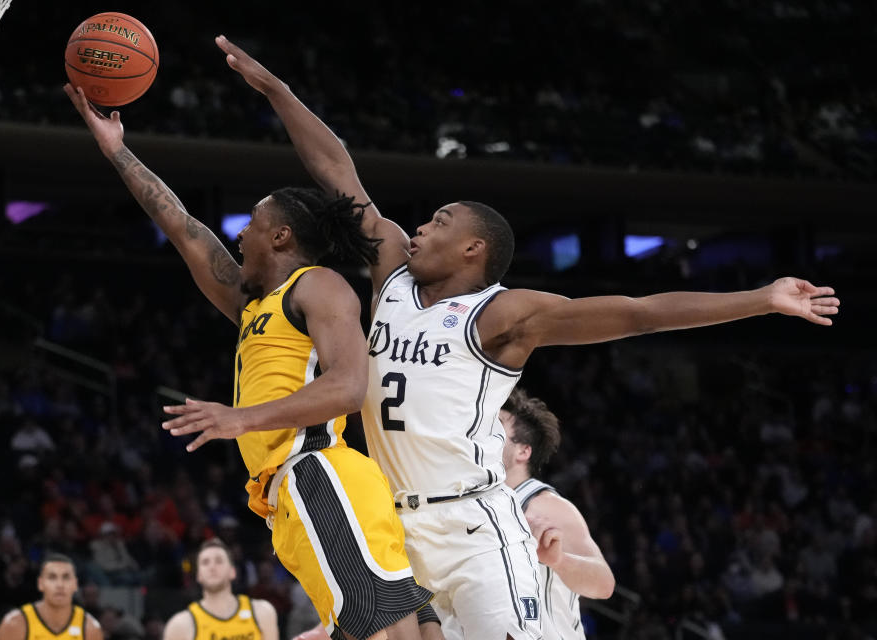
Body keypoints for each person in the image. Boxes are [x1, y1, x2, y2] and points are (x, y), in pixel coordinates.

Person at [208, 35, 840, 640]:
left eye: (440, 222)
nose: (421, 228)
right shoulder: (393, 273)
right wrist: (275, 89)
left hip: (472, 523)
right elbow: (336, 173)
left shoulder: (504, 315)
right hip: (396, 521)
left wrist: (761, 298)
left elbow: (640, 312)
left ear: (473, 249)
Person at [64, 84, 433, 640]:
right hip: (287, 494)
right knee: (401, 631)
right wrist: (117, 150)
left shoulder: (320, 286)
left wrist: (241, 418)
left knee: (387, 633)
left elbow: (348, 388)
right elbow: (182, 226)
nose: (239, 234)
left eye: (253, 224)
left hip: (321, 471)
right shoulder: (253, 305)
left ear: (282, 236)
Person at [502, 388, 614, 639]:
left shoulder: (544, 504)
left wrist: (558, 560)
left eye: (497, 426)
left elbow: (604, 583)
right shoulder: (478, 503)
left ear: (523, 451)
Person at [162, 539, 278, 640]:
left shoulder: (262, 612)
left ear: (232, 571)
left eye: (219, 561)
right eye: (205, 562)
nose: (212, 567)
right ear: (198, 576)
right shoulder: (180, 625)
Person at [0, 553, 103, 640]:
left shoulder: (89, 626)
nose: (60, 584)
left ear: (74, 584)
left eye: (66, 577)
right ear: (40, 583)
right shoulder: (14, 623)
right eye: (52, 577)